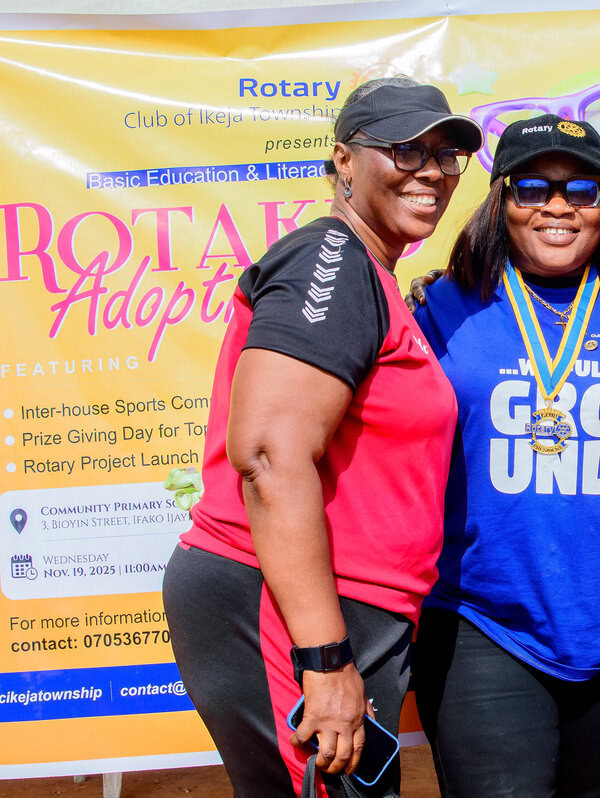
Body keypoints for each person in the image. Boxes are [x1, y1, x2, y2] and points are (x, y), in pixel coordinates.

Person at [162, 77, 482, 797]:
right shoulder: (329, 263)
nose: (431, 169)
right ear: (343, 160)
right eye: (405, 149)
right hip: (292, 606)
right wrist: (325, 655)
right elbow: (270, 457)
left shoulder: (366, 274)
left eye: (447, 154)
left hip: (340, 607)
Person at [410, 114, 600, 797]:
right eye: (533, 187)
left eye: (581, 190)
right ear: (501, 200)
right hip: (482, 621)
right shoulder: (442, 307)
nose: (557, 206)